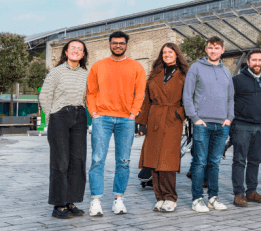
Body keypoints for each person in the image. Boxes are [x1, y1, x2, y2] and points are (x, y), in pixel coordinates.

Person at [87, 32, 146, 217]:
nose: (118, 46)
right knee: (98, 159)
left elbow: (140, 93)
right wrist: (93, 113)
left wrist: (133, 114)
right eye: (115, 43)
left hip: (125, 120)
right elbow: (91, 91)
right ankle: (95, 200)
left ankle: (118, 199)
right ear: (109, 45)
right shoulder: (98, 66)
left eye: (121, 43)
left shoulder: (136, 67)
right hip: (102, 118)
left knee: (124, 160)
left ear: (127, 45)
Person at [183, 36, 234, 213]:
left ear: (222, 50)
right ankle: (197, 199)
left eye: (217, 48)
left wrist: (229, 118)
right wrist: (195, 118)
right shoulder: (196, 68)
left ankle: (213, 197)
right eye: (210, 48)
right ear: (206, 50)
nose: (213, 51)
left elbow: (230, 98)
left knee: (215, 163)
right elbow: (187, 95)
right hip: (202, 124)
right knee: (200, 162)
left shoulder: (226, 71)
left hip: (222, 125)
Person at [136, 43, 188, 213]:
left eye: (170, 52)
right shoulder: (155, 74)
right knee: (153, 160)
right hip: (154, 118)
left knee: (167, 161)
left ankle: (170, 197)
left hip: (172, 119)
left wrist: (181, 114)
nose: (167, 55)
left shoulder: (184, 74)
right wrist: (142, 122)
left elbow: (190, 98)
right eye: (164, 52)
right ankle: (160, 197)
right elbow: (147, 99)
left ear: (176, 54)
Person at [40, 39, 90, 219]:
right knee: (60, 162)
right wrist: (52, 115)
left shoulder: (86, 73)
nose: (76, 51)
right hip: (59, 117)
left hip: (79, 116)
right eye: (73, 48)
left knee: (77, 160)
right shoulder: (57, 72)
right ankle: (58, 204)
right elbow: (44, 96)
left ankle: (71, 201)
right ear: (66, 52)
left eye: (80, 49)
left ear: (83, 54)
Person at [230, 49, 261, 207]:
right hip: (242, 125)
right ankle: (239, 193)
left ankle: (251, 191)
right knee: (239, 161)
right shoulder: (237, 80)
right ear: (248, 62)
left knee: (255, 161)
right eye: (254, 60)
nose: (257, 63)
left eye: (260, 60)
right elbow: (228, 102)